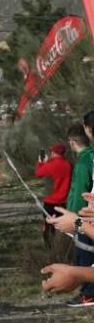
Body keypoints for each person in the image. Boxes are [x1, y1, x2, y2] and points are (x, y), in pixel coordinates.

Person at [66, 122, 94, 308]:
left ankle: (88, 294)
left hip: (84, 216)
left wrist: (72, 218)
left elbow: (79, 192)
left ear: (72, 142)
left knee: (84, 255)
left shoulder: (84, 161)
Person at [37, 142, 73, 249]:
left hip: (50, 202)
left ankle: (49, 248)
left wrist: (41, 163)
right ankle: (64, 247)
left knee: (48, 226)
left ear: (53, 153)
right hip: (65, 202)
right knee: (64, 227)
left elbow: (38, 173)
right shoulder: (69, 165)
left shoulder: (50, 165)